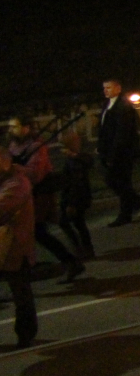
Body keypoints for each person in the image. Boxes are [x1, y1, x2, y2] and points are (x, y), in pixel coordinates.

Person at [8, 116, 85, 281]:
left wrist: (14, 168)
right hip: (21, 194)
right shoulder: (14, 145)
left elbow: (36, 174)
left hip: (38, 195)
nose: (10, 130)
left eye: (14, 126)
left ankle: (70, 261)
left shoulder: (37, 147)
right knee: (29, 233)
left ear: (26, 127)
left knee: (38, 232)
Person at [0, 147, 38, 348]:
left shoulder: (17, 183)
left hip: (15, 246)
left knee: (21, 294)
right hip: (5, 246)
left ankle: (26, 334)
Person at [97, 79, 140, 226]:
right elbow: (105, 129)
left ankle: (126, 212)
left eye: (108, 87)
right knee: (116, 181)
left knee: (120, 181)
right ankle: (135, 201)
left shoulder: (123, 106)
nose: (106, 90)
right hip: (110, 150)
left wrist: (113, 153)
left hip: (122, 153)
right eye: (104, 88)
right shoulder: (107, 104)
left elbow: (121, 133)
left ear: (118, 88)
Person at [55, 132, 95, 260]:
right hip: (78, 197)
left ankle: (80, 249)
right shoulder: (77, 158)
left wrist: (71, 203)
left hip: (75, 198)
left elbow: (75, 182)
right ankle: (85, 248)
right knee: (79, 223)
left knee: (68, 222)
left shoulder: (74, 161)